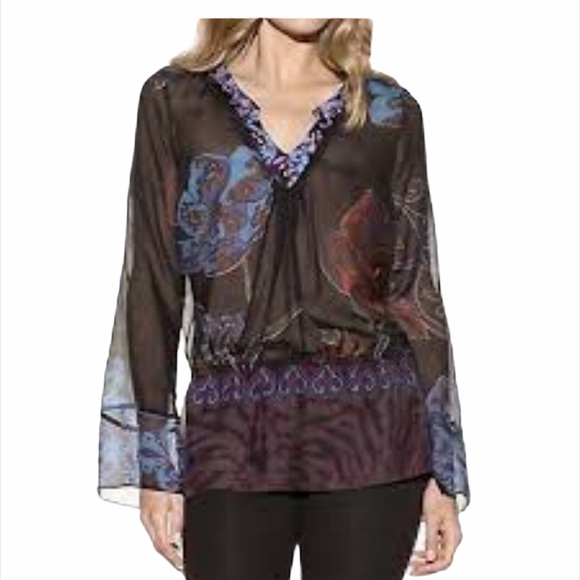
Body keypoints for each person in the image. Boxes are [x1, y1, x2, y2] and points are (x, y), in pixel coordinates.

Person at [97, 18, 471, 580]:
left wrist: (443, 471)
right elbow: (151, 281)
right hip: (229, 436)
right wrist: (156, 462)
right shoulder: (176, 101)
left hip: (370, 433)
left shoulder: (386, 112)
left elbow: (414, 290)